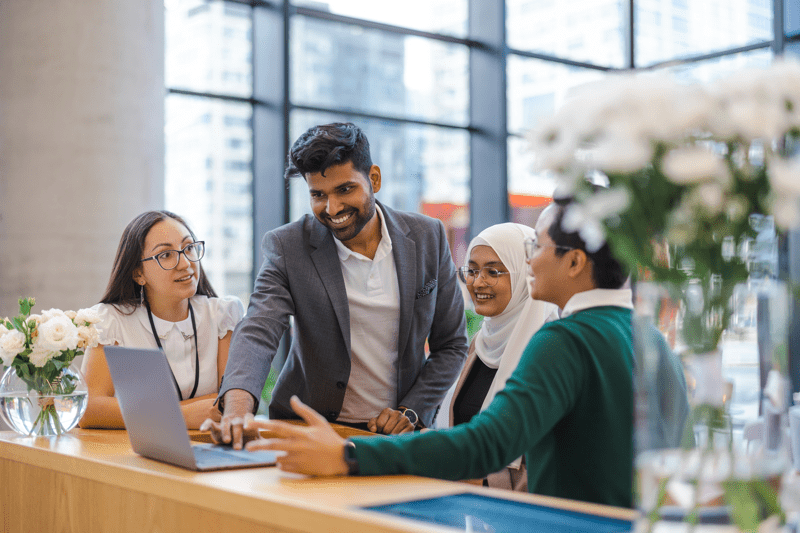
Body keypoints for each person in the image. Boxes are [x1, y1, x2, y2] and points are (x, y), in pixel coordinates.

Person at [235, 194, 636, 509]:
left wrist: (350, 454)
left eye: (539, 246)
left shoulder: (561, 340)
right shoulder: (646, 339)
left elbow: (486, 444)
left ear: (575, 262)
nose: (530, 258)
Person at [206, 122, 468, 443]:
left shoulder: (428, 237)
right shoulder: (289, 247)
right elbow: (259, 331)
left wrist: (409, 411)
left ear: (374, 179)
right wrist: (236, 410)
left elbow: (451, 345)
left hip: (396, 436)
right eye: (318, 195)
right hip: (311, 428)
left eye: (345, 189)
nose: (332, 209)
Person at [79, 210, 244, 430]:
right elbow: (89, 410)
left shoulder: (222, 315)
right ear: (138, 273)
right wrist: (181, 415)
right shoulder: (111, 320)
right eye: (166, 255)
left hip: (210, 445)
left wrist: (135, 411)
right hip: (134, 454)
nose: (185, 263)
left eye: (189, 248)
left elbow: (230, 402)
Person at [439, 222, 558, 491]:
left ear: (526, 274)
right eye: (471, 270)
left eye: (493, 271)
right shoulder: (480, 344)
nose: (477, 282)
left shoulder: (550, 349)